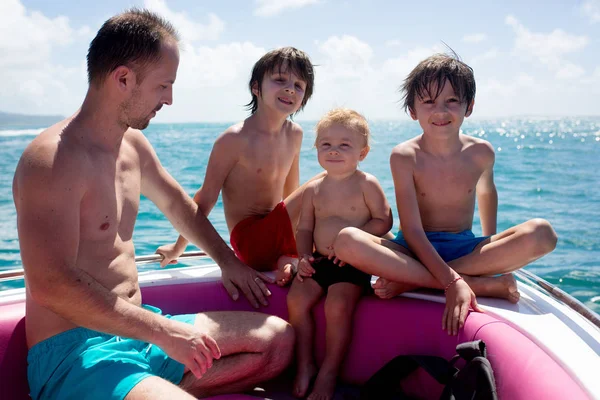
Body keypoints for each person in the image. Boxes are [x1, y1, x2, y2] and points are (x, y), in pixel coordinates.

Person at [13, 9, 294, 400]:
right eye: (164, 86)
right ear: (123, 79)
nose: (170, 99)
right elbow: (50, 285)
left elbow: (180, 206)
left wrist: (227, 261)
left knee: (277, 341)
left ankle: (154, 390)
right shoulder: (51, 161)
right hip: (77, 354)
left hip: (141, 335)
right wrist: (164, 332)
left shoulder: (132, 145)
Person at [331, 53, 558, 336]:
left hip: (464, 248)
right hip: (413, 251)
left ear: (469, 107)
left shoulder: (481, 152)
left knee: (543, 233)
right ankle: (469, 281)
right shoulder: (404, 156)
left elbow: (487, 195)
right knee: (346, 240)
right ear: (413, 111)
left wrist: (493, 251)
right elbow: (412, 230)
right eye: (428, 102)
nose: (441, 111)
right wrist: (452, 282)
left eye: (452, 101)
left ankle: (416, 282)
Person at [156, 46, 317, 288]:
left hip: (279, 236)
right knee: (326, 181)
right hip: (251, 242)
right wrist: (178, 247)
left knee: (334, 208)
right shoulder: (233, 140)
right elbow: (204, 200)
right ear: (255, 87)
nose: (289, 89)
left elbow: (291, 195)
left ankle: (296, 259)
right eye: (280, 80)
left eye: (298, 85)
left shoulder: (294, 133)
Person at [287, 109, 393, 400]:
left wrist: (355, 244)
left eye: (344, 145)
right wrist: (303, 258)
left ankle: (329, 371)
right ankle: (305, 363)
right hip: (320, 260)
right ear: (316, 148)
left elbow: (384, 221)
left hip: (353, 263)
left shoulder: (366, 183)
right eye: (326, 144)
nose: (333, 151)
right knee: (296, 299)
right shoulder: (314, 188)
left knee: (337, 305)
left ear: (363, 152)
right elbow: (304, 228)